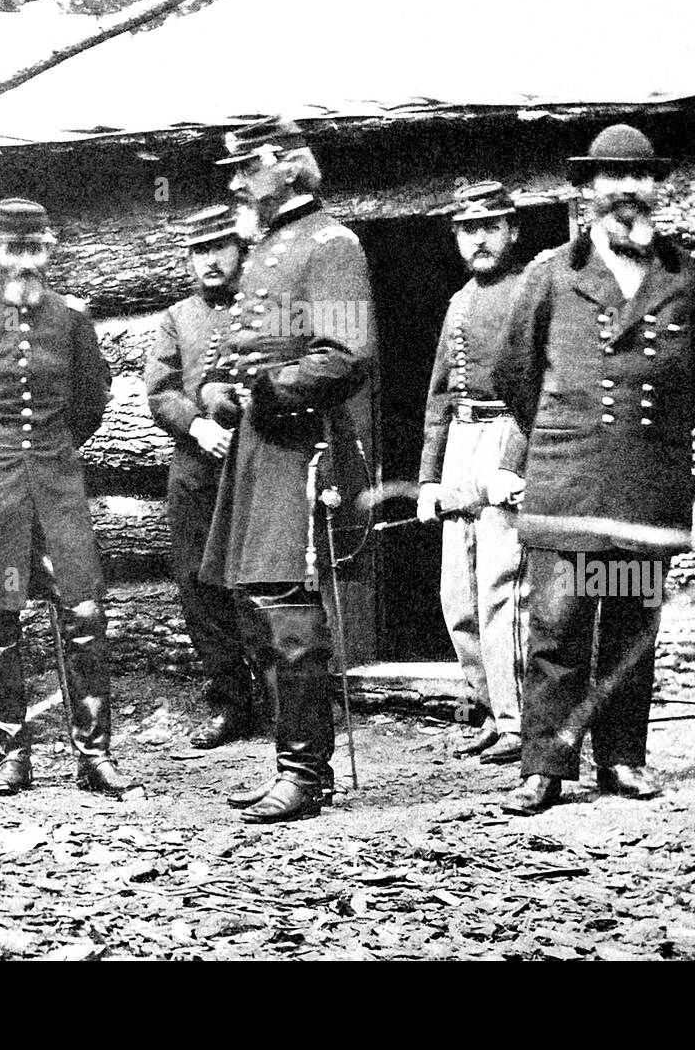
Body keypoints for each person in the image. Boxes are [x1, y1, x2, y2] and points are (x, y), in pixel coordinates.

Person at [494, 125, 695, 815]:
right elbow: (515, 373)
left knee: (629, 627)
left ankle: (622, 758)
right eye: (610, 178)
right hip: (568, 480)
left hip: (645, 484)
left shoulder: (688, 276)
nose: (626, 189)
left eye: (640, 177)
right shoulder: (551, 272)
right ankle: (545, 765)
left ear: (657, 189)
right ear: (588, 191)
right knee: (557, 629)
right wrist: (568, 431)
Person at [0, 198, 134, 798]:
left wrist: (44, 449)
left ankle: (94, 755)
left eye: (33, 249)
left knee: (84, 613)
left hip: (56, 481)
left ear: (49, 249)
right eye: (12, 248)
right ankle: (13, 754)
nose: (23, 261)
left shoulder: (72, 317)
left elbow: (90, 404)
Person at [200, 118, 377, 824]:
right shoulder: (266, 245)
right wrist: (217, 389)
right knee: (256, 607)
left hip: (302, 445)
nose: (238, 182)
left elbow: (344, 356)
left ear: (292, 168)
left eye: (250, 167)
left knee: (290, 612)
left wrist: (269, 393)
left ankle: (307, 773)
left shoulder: (332, 246)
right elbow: (238, 351)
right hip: (256, 449)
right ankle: (291, 764)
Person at [417, 181, 530, 764]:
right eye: (467, 229)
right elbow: (440, 394)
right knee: (456, 590)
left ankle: (519, 720)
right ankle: (487, 707)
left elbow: (544, 387)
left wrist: (513, 462)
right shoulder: (459, 300)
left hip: (507, 432)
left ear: (513, 230)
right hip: (461, 438)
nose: (479, 240)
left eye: (490, 227)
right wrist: (430, 478)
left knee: (499, 584)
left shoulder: (531, 290)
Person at [145, 204, 260, 749]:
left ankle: (285, 700)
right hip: (195, 469)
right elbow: (160, 389)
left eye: (219, 248)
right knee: (199, 584)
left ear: (240, 250)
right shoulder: (177, 317)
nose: (209, 261)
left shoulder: (265, 307)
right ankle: (229, 702)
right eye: (199, 251)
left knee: (259, 581)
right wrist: (194, 426)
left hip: (256, 464)